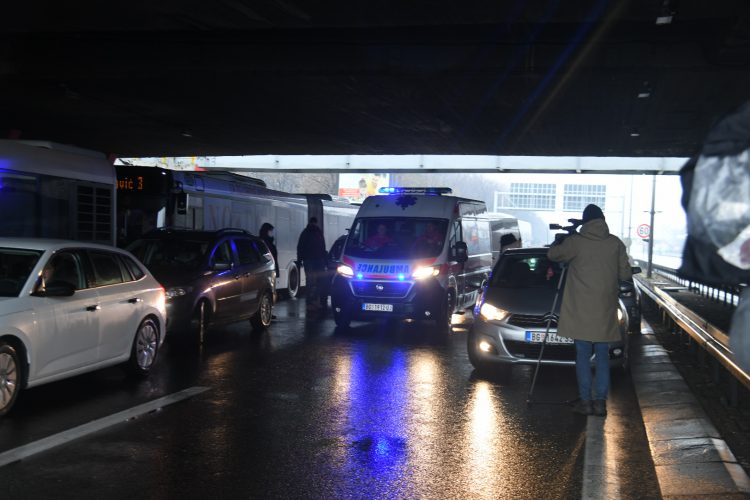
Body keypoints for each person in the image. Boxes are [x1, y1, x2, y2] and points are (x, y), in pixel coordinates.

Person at [548, 204, 632, 417]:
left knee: (582, 356)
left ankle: (585, 402)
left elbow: (553, 255)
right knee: (602, 356)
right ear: (603, 220)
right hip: (604, 310)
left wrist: (561, 240)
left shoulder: (576, 242)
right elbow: (625, 274)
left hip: (580, 311)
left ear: (584, 221)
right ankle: (600, 403)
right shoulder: (615, 244)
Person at [297, 217, 328, 313]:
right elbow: (323, 246)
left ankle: (311, 301)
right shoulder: (318, 232)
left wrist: (300, 260)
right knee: (318, 281)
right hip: (318, 260)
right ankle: (314, 300)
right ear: (316, 222)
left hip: (309, 260)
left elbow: (300, 247)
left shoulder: (305, 233)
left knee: (310, 281)